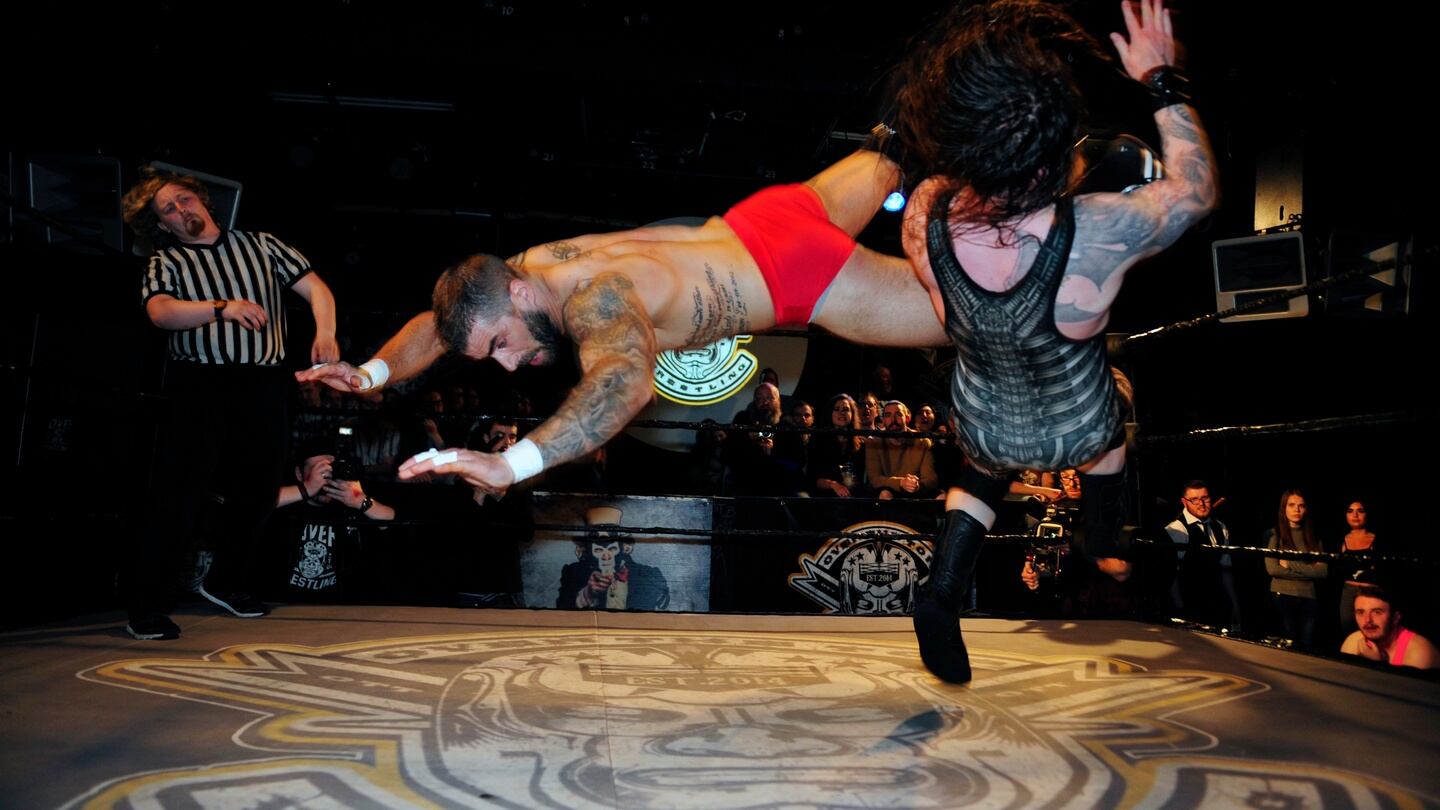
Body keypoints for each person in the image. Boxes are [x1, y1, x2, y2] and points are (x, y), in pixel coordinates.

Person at [296, 149, 948, 496]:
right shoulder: (521, 273)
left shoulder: (591, 299)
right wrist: (371, 371)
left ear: (519, 297)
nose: (503, 362)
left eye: (500, 345)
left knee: (991, 317)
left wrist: (511, 465)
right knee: (903, 137)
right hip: (761, 220)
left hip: (800, 278)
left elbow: (625, 384)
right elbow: (436, 326)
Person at [893, 0, 1218, 683]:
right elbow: (1196, 191)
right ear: (1054, 152)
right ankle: (1103, 540)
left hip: (984, 426)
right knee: (1113, 422)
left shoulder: (923, 215)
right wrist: (1161, 79)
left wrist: (983, 138)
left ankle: (943, 590)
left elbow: (956, 180)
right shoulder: (1097, 231)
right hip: (1079, 432)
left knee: (982, 467)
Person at [121, 168, 338, 640]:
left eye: (184, 199)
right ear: (162, 224)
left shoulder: (261, 244)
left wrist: (325, 332)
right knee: (180, 493)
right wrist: (222, 306)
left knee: (259, 489)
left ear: (203, 200)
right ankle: (147, 604)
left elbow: (316, 288)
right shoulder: (168, 261)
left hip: (263, 382)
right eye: (169, 210)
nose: (181, 211)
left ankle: (227, 581)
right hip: (200, 383)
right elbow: (160, 313)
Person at [557, 506, 670, 610]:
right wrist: (588, 593)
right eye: (598, 550)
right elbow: (562, 609)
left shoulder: (648, 575)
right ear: (587, 552)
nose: (606, 557)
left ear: (625, 548)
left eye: (612, 549)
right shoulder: (573, 574)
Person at [1164, 480, 1241, 631]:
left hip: (1217, 604)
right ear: (1184, 502)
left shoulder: (1220, 527)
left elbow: (1225, 568)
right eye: (1194, 499)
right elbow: (1171, 574)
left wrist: (1235, 604)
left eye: (1205, 498)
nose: (1201, 504)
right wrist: (1179, 608)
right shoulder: (1176, 529)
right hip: (1190, 605)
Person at [1263, 489, 1329, 651]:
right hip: (1282, 597)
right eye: (1291, 505)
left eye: (1301, 506)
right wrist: (1308, 570)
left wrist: (1290, 564)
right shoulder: (1274, 534)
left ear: (1306, 509)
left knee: (1308, 646)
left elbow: (1322, 572)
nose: (1296, 510)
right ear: (1283, 508)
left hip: (1309, 597)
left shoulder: (1314, 537)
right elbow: (1273, 569)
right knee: (1288, 647)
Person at [1340, 586, 1438, 670]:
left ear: (1395, 618)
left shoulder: (1420, 653)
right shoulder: (1352, 642)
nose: (1367, 620)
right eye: (1361, 612)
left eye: (1377, 612)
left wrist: (1376, 665)